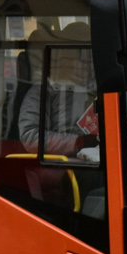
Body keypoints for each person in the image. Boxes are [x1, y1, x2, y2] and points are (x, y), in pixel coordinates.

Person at [17, 22, 99, 158]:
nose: (87, 61)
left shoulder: (104, 90)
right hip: (62, 169)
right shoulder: (42, 91)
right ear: (65, 56)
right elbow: (29, 137)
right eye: (80, 55)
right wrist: (78, 143)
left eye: (90, 55)